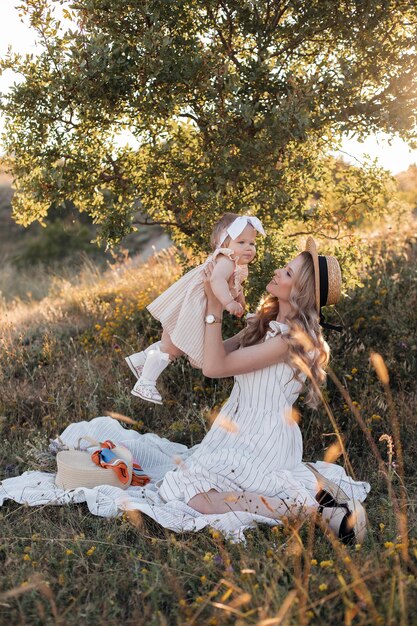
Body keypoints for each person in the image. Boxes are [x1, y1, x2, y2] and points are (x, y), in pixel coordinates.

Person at [157, 237, 369, 543]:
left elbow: (214, 369)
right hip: (235, 431)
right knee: (181, 485)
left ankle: (306, 510)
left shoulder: (290, 341)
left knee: (192, 499)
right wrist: (209, 297)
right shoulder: (264, 325)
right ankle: (308, 489)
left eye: (288, 273)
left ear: (300, 292)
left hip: (263, 438)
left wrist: (216, 307)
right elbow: (199, 359)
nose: (278, 272)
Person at [125, 213, 266, 405]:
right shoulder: (226, 261)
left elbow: (236, 286)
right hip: (193, 308)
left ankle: (141, 359)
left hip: (194, 307)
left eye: (252, 243)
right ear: (224, 244)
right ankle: (145, 382)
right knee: (172, 348)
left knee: (173, 344)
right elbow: (216, 281)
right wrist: (228, 303)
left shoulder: (236, 265)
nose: (248, 248)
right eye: (241, 242)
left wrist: (240, 300)